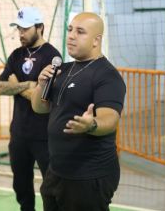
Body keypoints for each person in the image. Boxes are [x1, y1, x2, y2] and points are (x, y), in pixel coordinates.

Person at [31, 12, 126, 211]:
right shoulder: (62, 69)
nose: (71, 35)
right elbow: (39, 108)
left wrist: (91, 124)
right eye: (70, 29)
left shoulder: (107, 75)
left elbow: (110, 118)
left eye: (80, 32)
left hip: (89, 175)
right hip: (57, 171)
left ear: (96, 40)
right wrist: (40, 85)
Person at [0, 6, 61, 211]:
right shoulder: (16, 55)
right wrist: (29, 85)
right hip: (19, 133)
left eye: (25, 28)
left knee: (51, 185)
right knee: (21, 183)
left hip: (44, 134)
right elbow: (1, 87)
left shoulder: (52, 56)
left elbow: (44, 96)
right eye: (18, 28)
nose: (21, 33)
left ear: (40, 27)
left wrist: (16, 84)